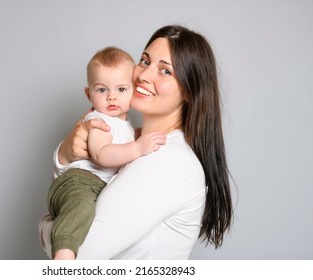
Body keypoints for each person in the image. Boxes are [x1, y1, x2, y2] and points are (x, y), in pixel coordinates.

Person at [40, 25, 233, 259]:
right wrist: (65, 156)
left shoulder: (166, 160)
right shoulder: (134, 143)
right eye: (144, 61)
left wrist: (45, 225)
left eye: (165, 71)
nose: (144, 75)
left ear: (188, 92)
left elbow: (80, 255)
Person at [45, 46, 166, 260]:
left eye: (121, 89)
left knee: (91, 220)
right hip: (79, 183)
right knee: (80, 209)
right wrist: (137, 147)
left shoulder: (123, 124)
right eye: (102, 90)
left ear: (133, 90)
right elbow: (102, 154)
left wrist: (136, 137)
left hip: (93, 186)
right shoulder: (98, 121)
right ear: (88, 94)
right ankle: (62, 261)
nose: (111, 97)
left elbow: (120, 141)